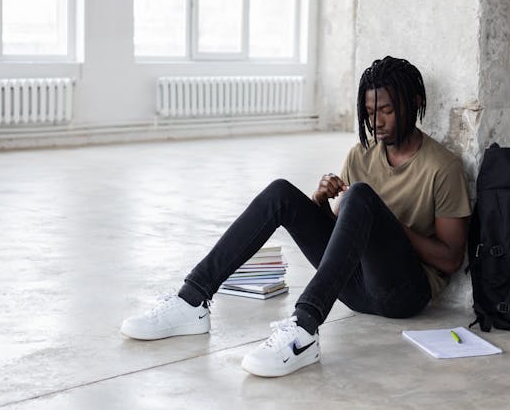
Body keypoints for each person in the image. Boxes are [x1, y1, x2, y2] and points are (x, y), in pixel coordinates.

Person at [121, 56, 471, 377]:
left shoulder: (442, 167)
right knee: (280, 193)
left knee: (361, 195)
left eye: (387, 111)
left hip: (403, 295)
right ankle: (192, 300)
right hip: (355, 289)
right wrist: (320, 202)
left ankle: (303, 330)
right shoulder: (361, 156)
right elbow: (343, 241)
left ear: (416, 104)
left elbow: (452, 258)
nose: (376, 122)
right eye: (369, 111)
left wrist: (387, 220)